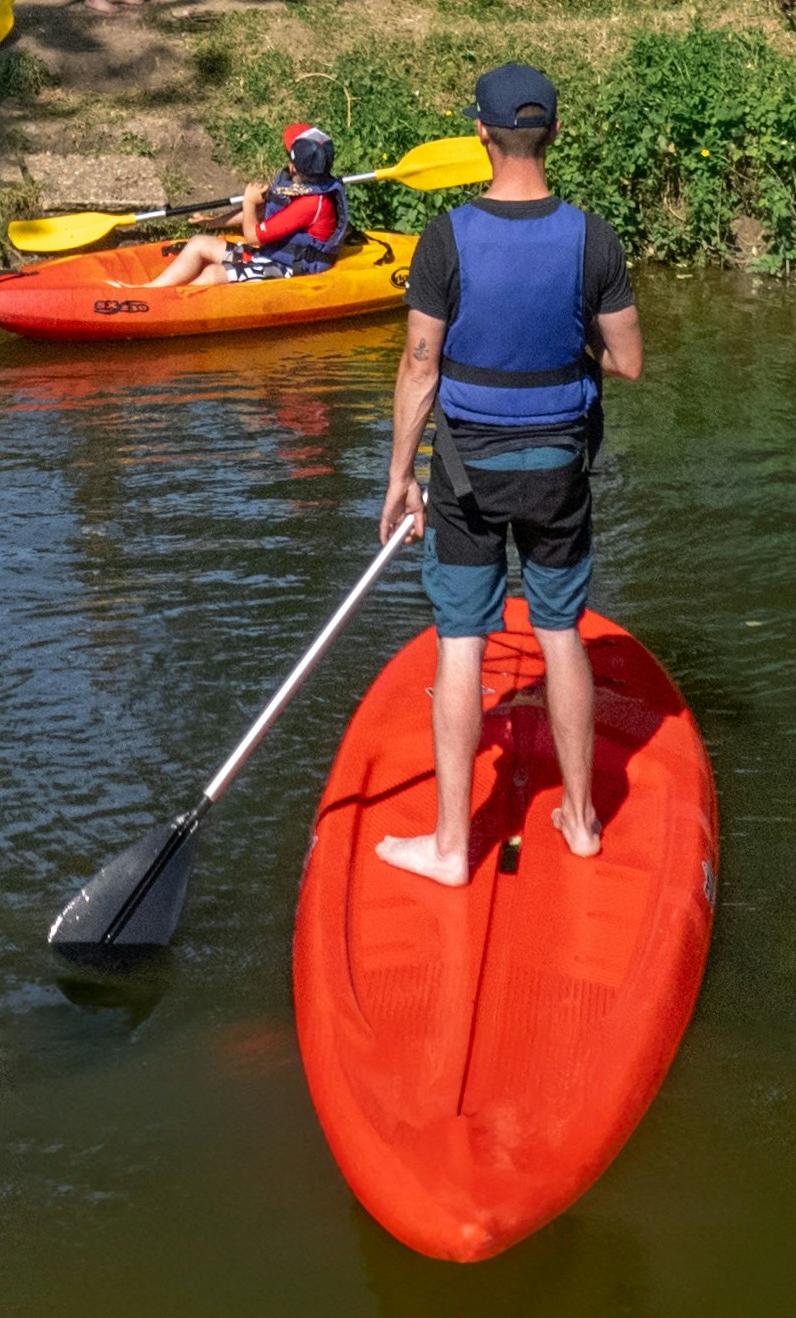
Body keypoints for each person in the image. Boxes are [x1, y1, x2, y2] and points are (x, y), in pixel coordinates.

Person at [374, 61, 643, 881]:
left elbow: (421, 368)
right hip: (560, 471)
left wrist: (398, 478)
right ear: (553, 133)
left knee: (462, 643)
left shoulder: (445, 238)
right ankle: (584, 820)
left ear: (481, 135)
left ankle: (454, 846)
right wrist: (566, 338)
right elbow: (627, 362)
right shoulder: (594, 239)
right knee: (560, 633)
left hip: (466, 478)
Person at [144, 122, 350, 289]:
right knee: (199, 243)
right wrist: (213, 223)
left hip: (293, 266)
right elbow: (263, 213)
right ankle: (151, 291)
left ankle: (172, 306)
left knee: (213, 273)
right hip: (276, 253)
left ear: (293, 166)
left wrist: (248, 201)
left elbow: (252, 235)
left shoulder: (311, 204)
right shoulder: (301, 186)